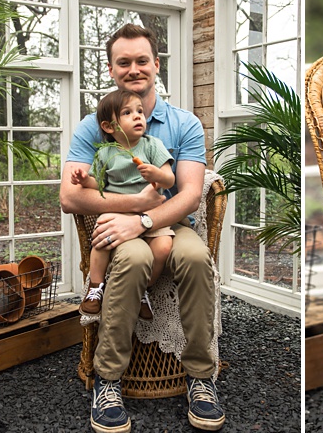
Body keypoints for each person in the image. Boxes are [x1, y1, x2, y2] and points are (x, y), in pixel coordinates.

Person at [60, 24, 224, 432]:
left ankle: (201, 377)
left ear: (155, 65)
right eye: (124, 62)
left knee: (197, 256)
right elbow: (70, 196)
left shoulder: (182, 124)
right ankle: (108, 380)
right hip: (122, 227)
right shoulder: (94, 125)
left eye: (142, 60)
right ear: (112, 69)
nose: (134, 69)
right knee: (131, 258)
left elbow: (188, 195)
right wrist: (133, 208)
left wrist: (146, 220)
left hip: (170, 225)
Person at [72, 89, 175, 321]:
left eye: (140, 111)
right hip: (117, 213)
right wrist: (83, 179)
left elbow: (170, 180)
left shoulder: (152, 145)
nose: (138, 116)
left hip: (151, 213)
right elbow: (97, 182)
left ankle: (142, 289)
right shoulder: (106, 152)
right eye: (127, 113)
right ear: (109, 127)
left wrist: (156, 173)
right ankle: (95, 288)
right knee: (101, 241)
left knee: (164, 247)